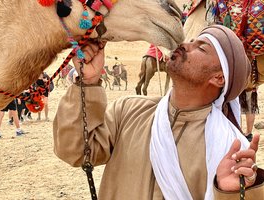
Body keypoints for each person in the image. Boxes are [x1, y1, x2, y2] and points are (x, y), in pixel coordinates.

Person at [53, 25, 264, 199]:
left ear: (218, 78)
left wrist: (229, 192)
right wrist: (88, 83)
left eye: (200, 48)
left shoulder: (231, 149)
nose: (184, 45)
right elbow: (75, 152)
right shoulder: (128, 110)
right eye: (191, 40)